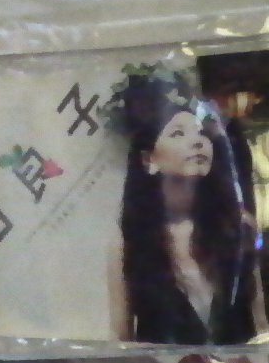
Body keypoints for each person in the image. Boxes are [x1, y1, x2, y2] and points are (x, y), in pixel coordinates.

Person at [107, 68, 268, 344]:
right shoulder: (127, 243)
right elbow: (122, 340)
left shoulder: (238, 225)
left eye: (201, 134)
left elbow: (260, 324)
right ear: (149, 160)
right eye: (178, 133)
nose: (197, 142)